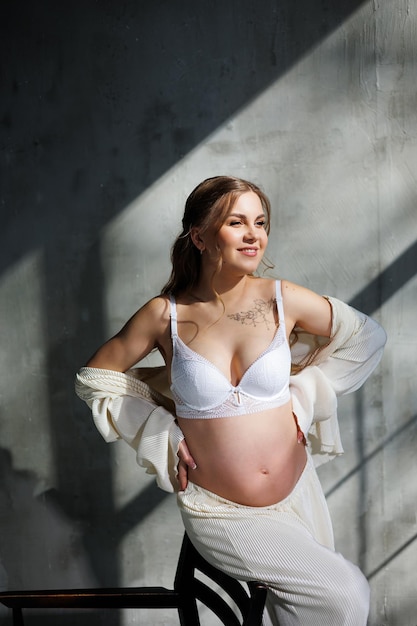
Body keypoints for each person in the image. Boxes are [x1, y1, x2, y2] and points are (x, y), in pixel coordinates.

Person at [75, 176, 386, 625]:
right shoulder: (165, 315)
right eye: (235, 222)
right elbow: (95, 377)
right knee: (345, 593)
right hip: (220, 512)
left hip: (297, 497)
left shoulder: (281, 298)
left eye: (260, 222)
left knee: (311, 609)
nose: (252, 233)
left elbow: (365, 338)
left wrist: (302, 396)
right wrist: (161, 430)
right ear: (199, 237)